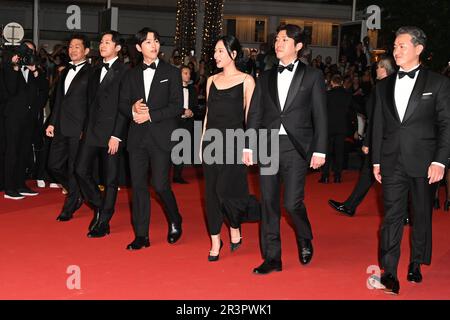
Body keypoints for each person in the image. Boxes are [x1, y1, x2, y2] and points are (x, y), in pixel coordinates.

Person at [371, 26, 450, 295]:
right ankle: (389, 271)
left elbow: (446, 125)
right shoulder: (383, 85)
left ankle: (416, 261)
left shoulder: (438, 83)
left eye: (402, 46)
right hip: (392, 160)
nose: (396, 51)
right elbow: (378, 124)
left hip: (425, 162)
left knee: (421, 215)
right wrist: (376, 161)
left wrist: (440, 161)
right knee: (392, 216)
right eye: (394, 47)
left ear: (419, 49)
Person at [243, 24, 327, 274]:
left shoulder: (312, 76)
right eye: (277, 39)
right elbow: (255, 113)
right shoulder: (265, 76)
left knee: (291, 203)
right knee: (268, 203)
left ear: (298, 46)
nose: (278, 43)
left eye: (284, 40)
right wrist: (248, 144)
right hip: (268, 146)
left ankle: (304, 236)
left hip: (296, 147)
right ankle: (272, 258)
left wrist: (320, 150)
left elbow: (320, 116)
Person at [119, 28, 183, 250]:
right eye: (148, 42)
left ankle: (175, 218)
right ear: (138, 47)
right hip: (137, 139)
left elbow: (177, 106)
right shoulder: (130, 74)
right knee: (138, 187)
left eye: (156, 41)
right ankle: (141, 235)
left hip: (161, 137)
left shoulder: (172, 73)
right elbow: (122, 104)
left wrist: (151, 115)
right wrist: (132, 108)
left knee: (160, 185)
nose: (153, 45)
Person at [200, 35, 260, 262]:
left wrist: (249, 147)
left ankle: (235, 225)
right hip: (211, 144)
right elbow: (208, 114)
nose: (216, 55)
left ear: (233, 55)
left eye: (221, 51)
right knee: (211, 193)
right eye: (215, 51)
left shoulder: (247, 81)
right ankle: (215, 240)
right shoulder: (210, 81)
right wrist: (201, 141)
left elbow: (250, 118)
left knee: (227, 192)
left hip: (234, 143)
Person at [74, 31, 129, 237]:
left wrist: (117, 135)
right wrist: (84, 128)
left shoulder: (125, 72)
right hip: (92, 131)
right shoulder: (95, 70)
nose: (103, 45)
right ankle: (99, 204)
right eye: (102, 42)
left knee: (111, 178)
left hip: (111, 133)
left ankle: (104, 221)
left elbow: (124, 107)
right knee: (80, 169)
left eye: (107, 42)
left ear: (117, 47)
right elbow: (90, 104)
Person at [328, 56, 396, 216]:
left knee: (381, 175)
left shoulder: (383, 87)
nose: (376, 70)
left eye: (378, 67)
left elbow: (376, 118)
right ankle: (350, 206)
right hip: (383, 138)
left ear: (384, 69)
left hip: (382, 139)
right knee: (368, 173)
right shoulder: (388, 86)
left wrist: (368, 141)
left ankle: (402, 212)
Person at [46, 34, 92, 221]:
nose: (72, 50)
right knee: (53, 165)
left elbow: (92, 104)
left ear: (86, 51)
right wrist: (52, 122)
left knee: (74, 167)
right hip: (61, 126)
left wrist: (86, 128)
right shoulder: (63, 71)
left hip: (79, 129)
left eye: (77, 47)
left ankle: (70, 206)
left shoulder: (92, 73)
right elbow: (59, 100)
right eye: (70, 47)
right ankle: (77, 190)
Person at [2, 40, 49, 200]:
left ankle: (21, 184)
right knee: (12, 152)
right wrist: (14, 67)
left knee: (24, 152)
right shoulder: (8, 67)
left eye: (32, 51)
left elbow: (44, 88)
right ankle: (9, 188)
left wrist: (35, 70)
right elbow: (11, 90)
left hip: (29, 117)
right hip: (13, 117)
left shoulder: (34, 67)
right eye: (26, 51)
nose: (28, 54)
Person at [319, 74, 352, 184]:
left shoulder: (327, 95)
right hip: (341, 127)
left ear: (332, 83)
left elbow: (321, 111)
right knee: (339, 152)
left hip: (328, 127)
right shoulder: (347, 95)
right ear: (341, 83)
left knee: (326, 152)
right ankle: (337, 176)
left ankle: (325, 176)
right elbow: (352, 111)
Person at [172, 65, 198, 184]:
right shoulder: (173, 89)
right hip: (174, 122)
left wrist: (192, 112)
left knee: (182, 149)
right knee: (171, 149)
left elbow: (196, 106)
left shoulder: (193, 89)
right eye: (185, 73)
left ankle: (177, 176)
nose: (188, 75)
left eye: (189, 73)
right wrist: (183, 111)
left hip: (187, 122)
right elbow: (171, 106)